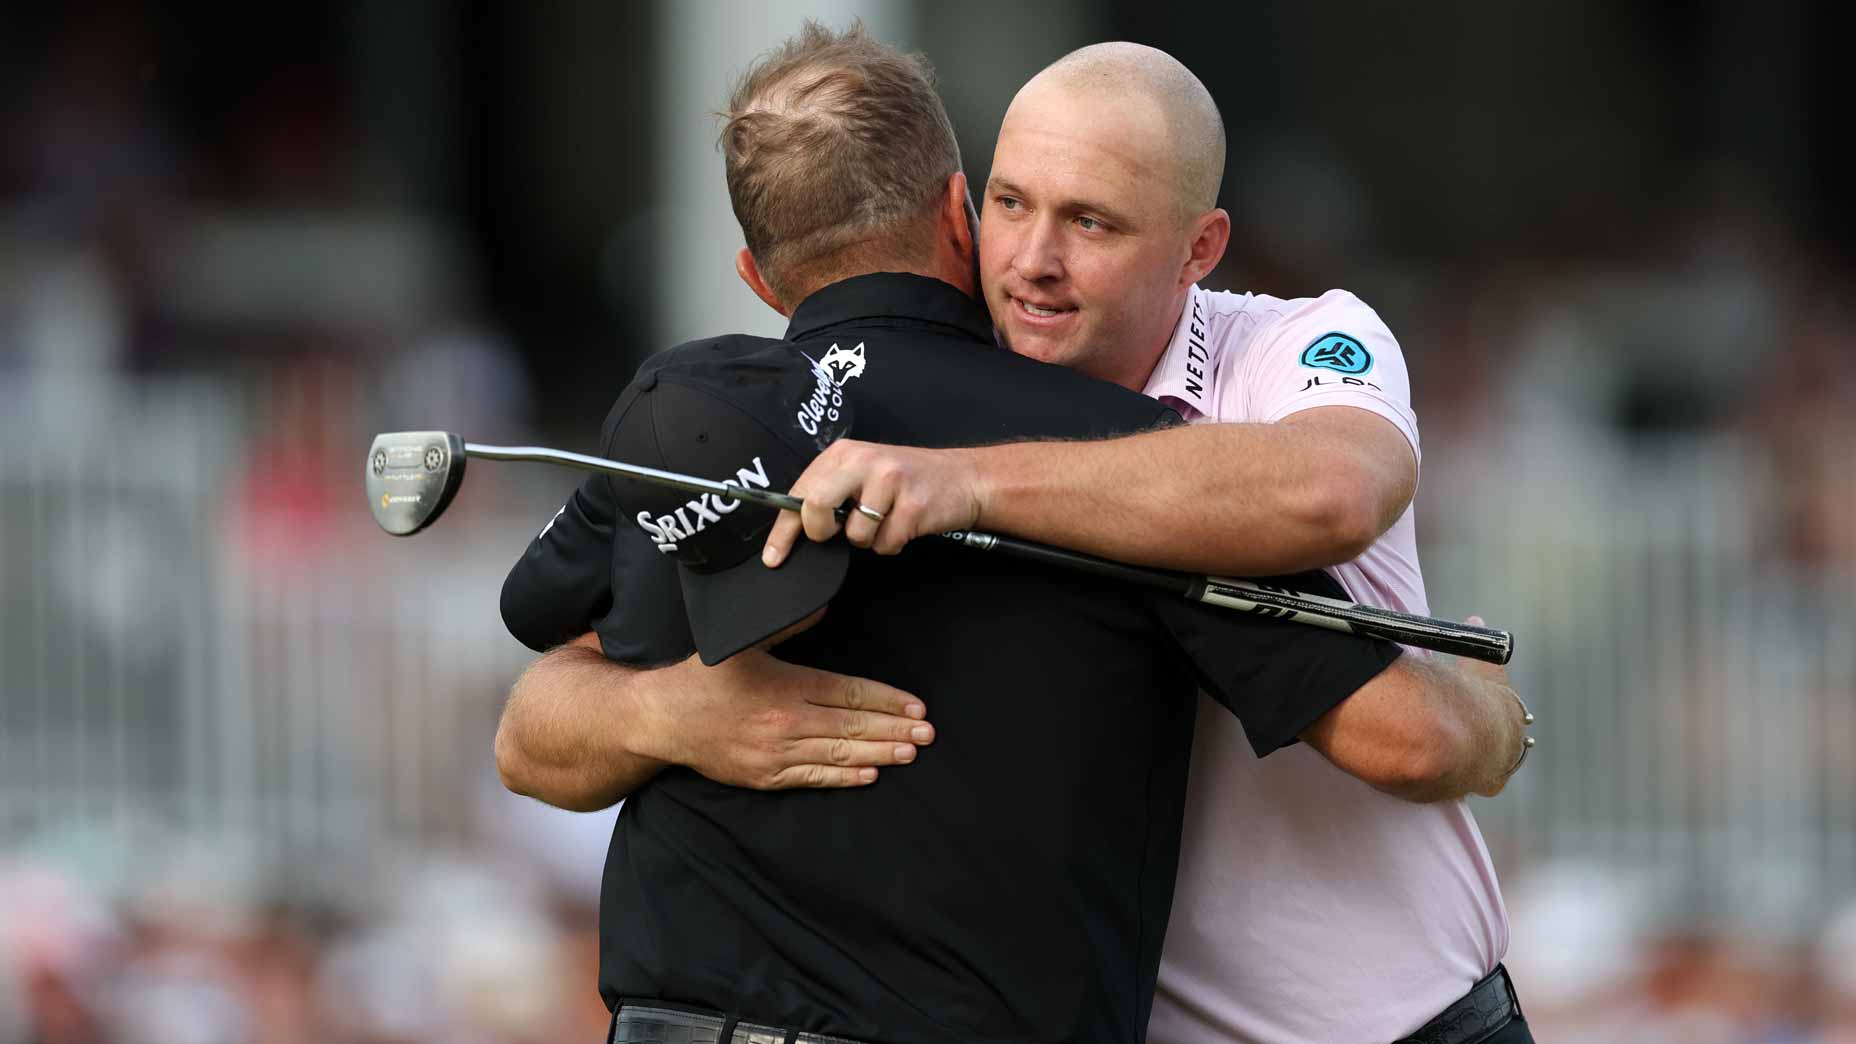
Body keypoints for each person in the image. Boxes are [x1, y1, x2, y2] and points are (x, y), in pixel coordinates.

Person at [494, 23, 1525, 1044]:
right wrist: (676, 713)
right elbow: (531, 725)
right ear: (962, 212)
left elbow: (1339, 503)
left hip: (1405, 1023)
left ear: (1199, 250)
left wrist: (966, 481)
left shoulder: (1284, 347)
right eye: (1012, 204)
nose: (1034, 261)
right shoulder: (846, 410)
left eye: (1092, 222)